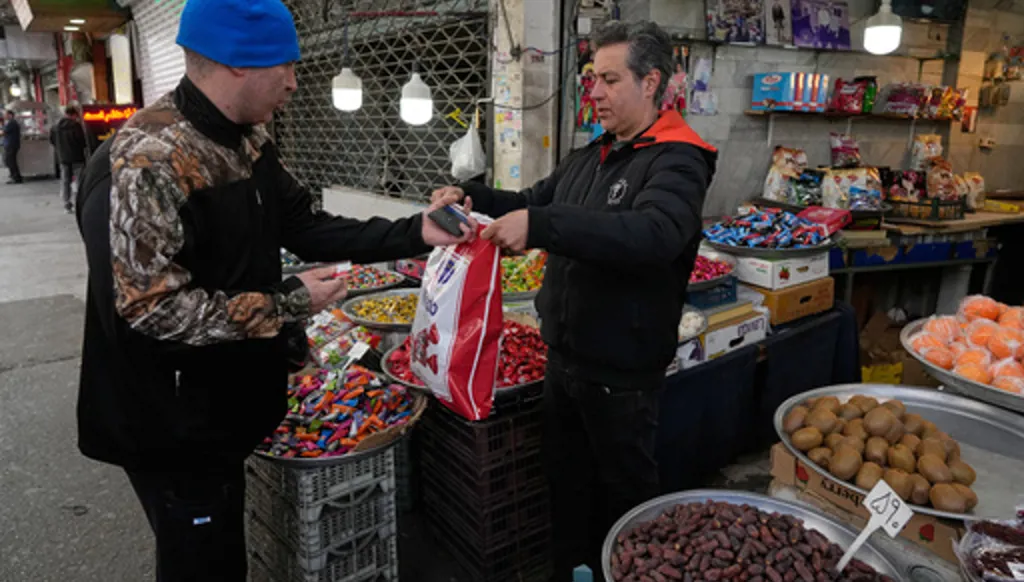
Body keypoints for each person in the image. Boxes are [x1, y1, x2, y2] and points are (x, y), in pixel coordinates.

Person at [73, 0, 474, 580]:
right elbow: (150, 308)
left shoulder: (247, 140)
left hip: (220, 409)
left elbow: (305, 226)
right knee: (202, 564)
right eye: (285, 65)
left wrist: (416, 229)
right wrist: (287, 303)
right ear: (238, 62)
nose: (293, 82)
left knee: (220, 553)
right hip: (170, 423)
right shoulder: (146, 161)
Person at [431, 20, 717, 578]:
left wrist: (541, 224)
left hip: (622, 372)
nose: (596, 92)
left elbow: (653, 234)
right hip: (562, 361)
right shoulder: (593, 156)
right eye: (593, 78)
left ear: (652, 81)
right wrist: (474, 196)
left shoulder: (678, 160)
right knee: (567, 488)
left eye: (610, 80)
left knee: (625, 503)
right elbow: (534, 199)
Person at [50, 105, 88, 213]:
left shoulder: (55, 126)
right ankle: (80, 202)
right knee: (79, 180)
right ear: (74, 114)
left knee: (65, 180)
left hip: (63, 158)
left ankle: (66, 203)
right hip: (77, 157)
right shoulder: (76, 126)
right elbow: (82, 142)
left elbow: (52, 141)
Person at [3, 110, 22, 184]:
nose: (5, 116)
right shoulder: (11, 123)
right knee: (9, 161)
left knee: (11, 161)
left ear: (10, 115)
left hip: (12, 145)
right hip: (11, 144)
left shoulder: (12, 123)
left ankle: (16, 177)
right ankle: (14, 176)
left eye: (6, 115)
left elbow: (4, 132)